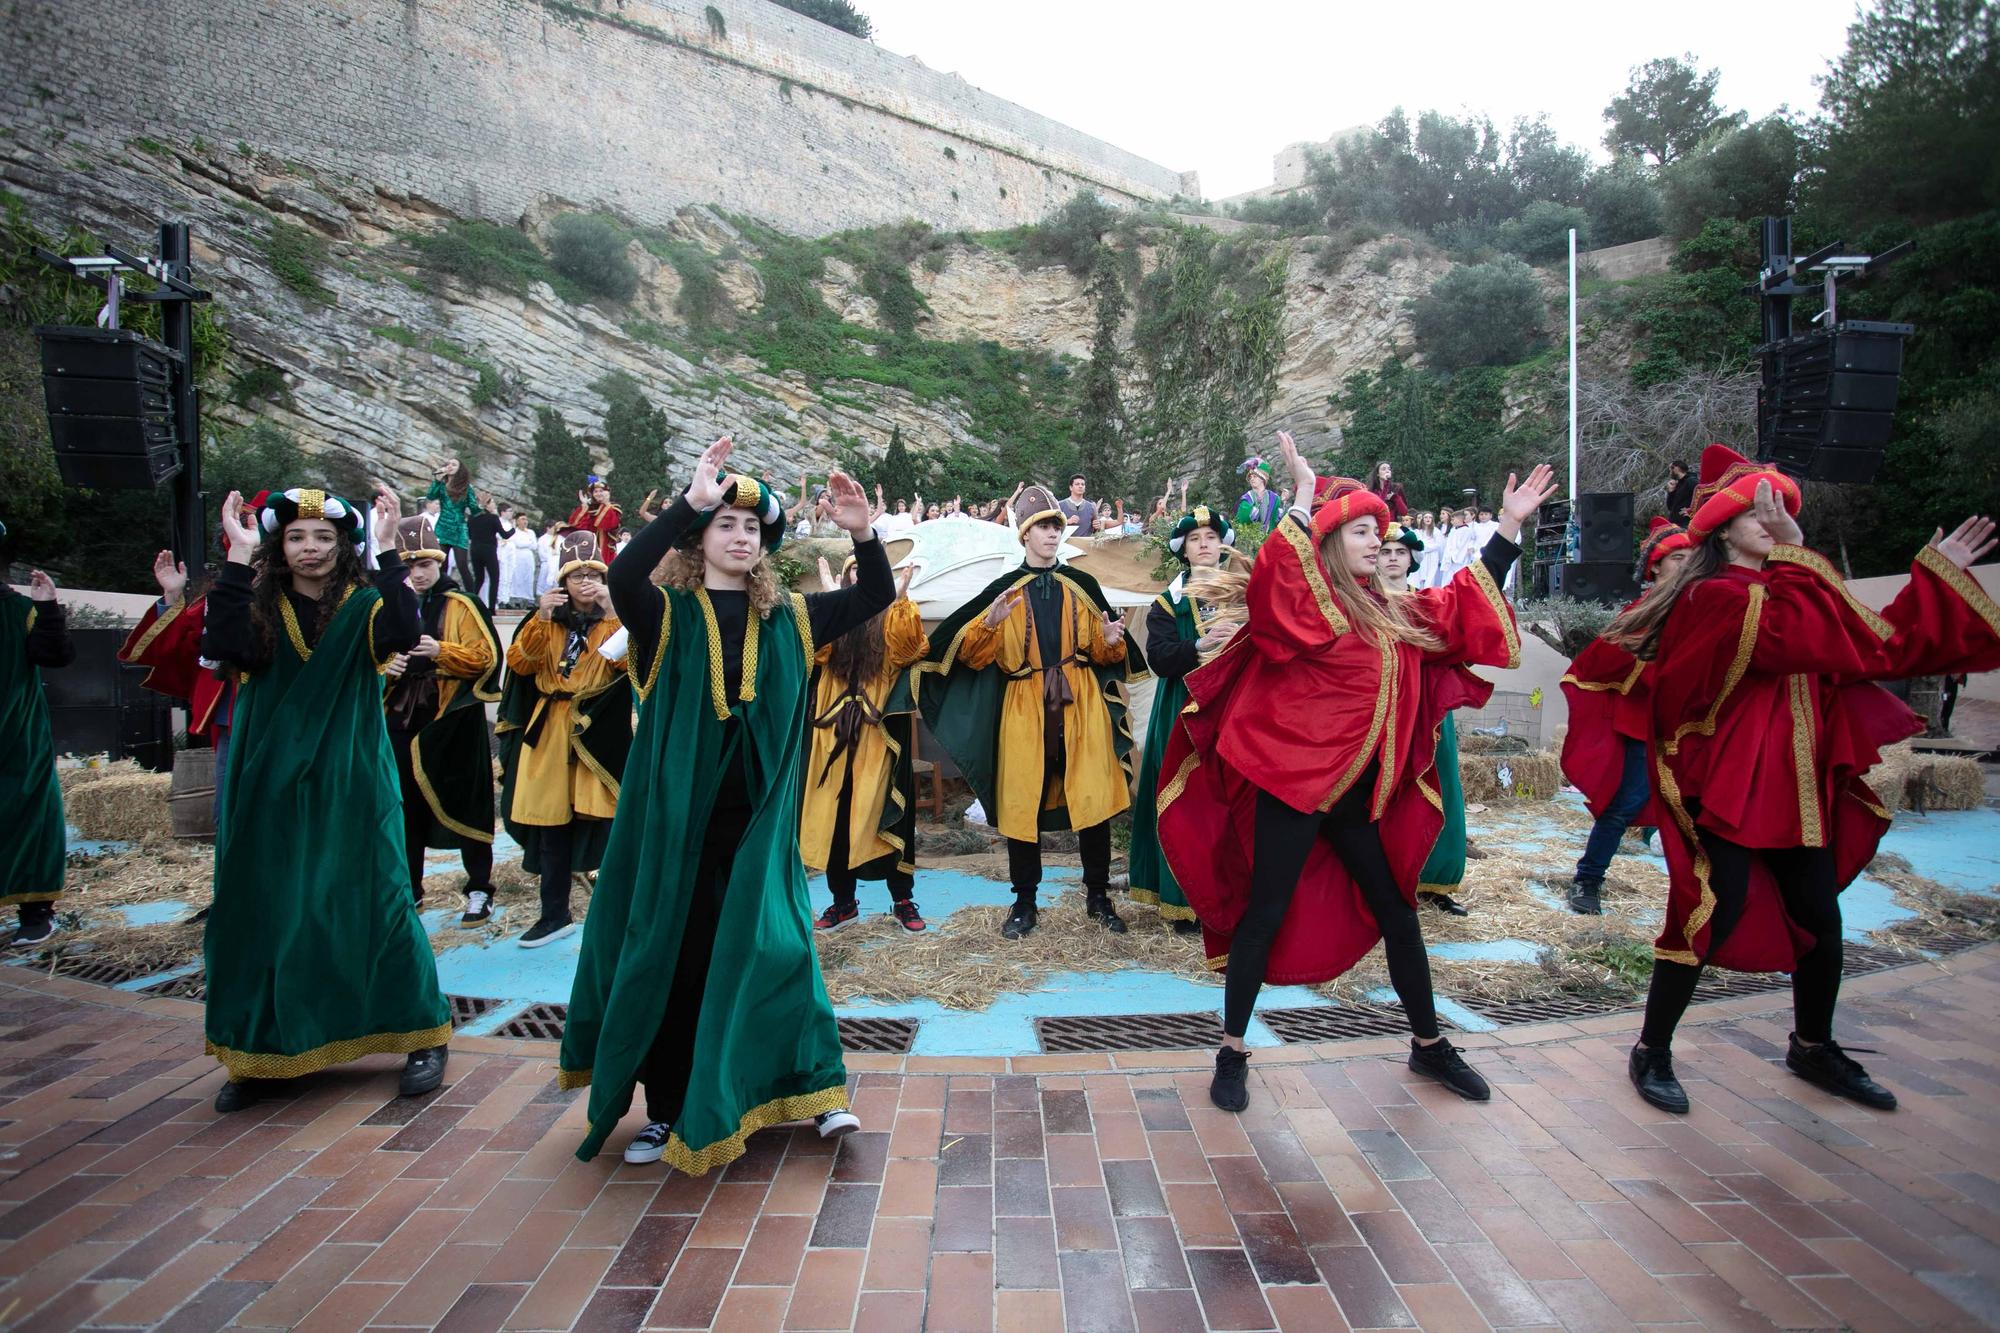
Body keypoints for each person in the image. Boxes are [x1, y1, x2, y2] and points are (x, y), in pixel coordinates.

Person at [1157, 433, 1555, 1114]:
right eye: (1363, 531)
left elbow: (1461, 606)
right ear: (1333, 541)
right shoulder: (1311, 610)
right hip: (1295, 788)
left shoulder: (1397, 611)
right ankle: (1231, 1050)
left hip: (1355, 799)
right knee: (1264, 915)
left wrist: (1509, 527)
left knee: (1400, 915)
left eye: (1381, 530)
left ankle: (1430, 1045)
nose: (1378, 540)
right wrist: (1305, 498)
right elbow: (1276, 583)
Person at [1602, 443, 1999, 1116]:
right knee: (1707, 913)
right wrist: (1798, 551)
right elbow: (1790, 635)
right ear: (1723, 527)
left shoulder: (1789, 582)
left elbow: (1870, 643)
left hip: (1796, 789)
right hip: (1722, 786)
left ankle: (1813, 1044)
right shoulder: (1713, 596)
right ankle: (1652, 1047)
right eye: (1758, 509)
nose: (1774, 516)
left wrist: (1935, 579)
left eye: (1783, 507)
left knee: (1821, 919)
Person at [560, 437, 889, 1170]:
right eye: (724, 525)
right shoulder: (664, 612)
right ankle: (667, 1110)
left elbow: (874, 597)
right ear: (698, 539)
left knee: (776, 947)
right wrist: (688, 500)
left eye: (751, 529)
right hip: (677, 829)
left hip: (756, 829)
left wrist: (863, 534)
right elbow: (620, 571)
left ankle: (812, 1085)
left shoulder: (794, 618)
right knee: (677, 961)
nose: (740, 538)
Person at [201, 486, 450, 1112]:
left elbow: (403, 631)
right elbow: (226, 649)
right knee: (267, 906)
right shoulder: (257, 605)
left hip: (351, 778)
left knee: (379, 899)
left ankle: (422, 1031)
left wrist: (389, 552)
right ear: (279, 546)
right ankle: (262, 1048)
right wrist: (237, 556)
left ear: (343, 546)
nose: (309, 548)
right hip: (269, 783)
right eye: (296, 537)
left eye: (322, 538)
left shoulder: (366, 604)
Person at [920, 484, 1147, 938]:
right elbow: (970, 657)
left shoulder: (1081, 585)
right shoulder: (1003, 591)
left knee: (1093, 800)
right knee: (1023, 803)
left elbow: (1103, 655)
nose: (1051, 533)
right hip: (1024, 707)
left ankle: (1098, 897)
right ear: (1024, 534)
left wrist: (1111, 640)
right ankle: (1025, 903)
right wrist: (988, 626)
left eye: (1056, 526)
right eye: (1043, 526)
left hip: (1080, 703)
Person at [498, 529, 634, 947]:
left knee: (612, 821)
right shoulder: (545, 620)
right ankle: (554, 914)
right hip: (551, 728)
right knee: (551, 824)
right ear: (563, 581)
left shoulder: (616, 618)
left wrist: (614, 612)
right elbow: (520, 664)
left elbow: (631, 666)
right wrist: (540, 618)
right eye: (577, 575)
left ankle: (621, 913)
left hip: (597, 729)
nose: (586, 582)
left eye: (594, 573)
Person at [1558, 517, 1693, 915]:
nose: (1687, 566)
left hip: (1692, 730)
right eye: (1678, 559)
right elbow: (1608, 661)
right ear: (1655, 567)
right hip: (1645, 727)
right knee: (1623, 805)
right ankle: (1588, 879)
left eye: (1692, 558)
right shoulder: (1643, 612)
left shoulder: (1711, 605)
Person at [381, 515, 503, 923]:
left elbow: (486, 658)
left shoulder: (463, 603)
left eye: (424, 565)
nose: (417, 574)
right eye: (409, 565)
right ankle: (410, 888)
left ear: (439, 563)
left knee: (468, 800)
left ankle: (479, 888)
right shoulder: (385, 605)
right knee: (405, 806)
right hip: (401, 716)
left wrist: (442, 652)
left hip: (453, 717)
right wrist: (386, 667)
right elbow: (366, 657)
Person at [806, 556, 930, 932]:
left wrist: (900, 596)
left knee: (885, 814)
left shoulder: (894, 619)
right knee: (835, 818)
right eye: (855, 570)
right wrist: (832, 597)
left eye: (868, 570)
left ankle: (902, 899)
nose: (861, 575)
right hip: (832, 734)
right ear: (846, 577)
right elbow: (816, 648)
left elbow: (909, 651)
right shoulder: (833, 615)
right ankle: (842, 903)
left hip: (878, 737)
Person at [1130, 506, 1239, 935]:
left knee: (1229, 805)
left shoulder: (1243, 594)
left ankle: (1231, 897)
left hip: (1233, 712)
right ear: (1185, 550)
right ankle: (1182, 901)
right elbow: (1158, 659)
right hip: (1181, 711)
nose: (1205, 544)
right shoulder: (1166, 605)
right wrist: (1199, 643)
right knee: (1184, 804)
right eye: (1196, 539)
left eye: (1211, 536)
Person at [1377, 524, 1472, 917]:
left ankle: (1436, 881)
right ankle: (1382, 880)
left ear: (1413, 558)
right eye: (1385, 550)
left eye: (1401, 551)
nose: (1393, 557)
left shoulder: (1429, 602)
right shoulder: (1361, 602)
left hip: (1428, 713)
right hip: (1379, 714)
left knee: (1441, 786)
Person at [2, 532, 73, 948]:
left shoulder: (17, 609)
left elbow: (57, 655)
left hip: (15, 735)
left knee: (29, 814)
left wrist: (47, 610)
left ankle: (36, 914)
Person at [425, 458, 480, 589]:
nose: (450, 466)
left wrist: (480, 505)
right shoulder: (442, 485)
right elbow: (431, 496)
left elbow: (474, 510)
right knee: (440, 563)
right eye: (448, 464)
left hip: (459, 529)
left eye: (454, 464)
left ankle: (472, 597)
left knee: (462, 565)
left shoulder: (466, 487)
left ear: (460, 470)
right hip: (443, 527)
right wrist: (437, 479)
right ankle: (439, 593)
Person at [466, 496, 505, 613]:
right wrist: (513, 529)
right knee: (494, 578)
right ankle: (491, 608)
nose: (494, 505)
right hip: (489, 550)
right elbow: (505, 534)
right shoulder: (493, 518)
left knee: (479, 578)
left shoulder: (472, 518)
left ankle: (469, 603)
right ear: (487, 505)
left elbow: (469, 535)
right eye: (492, 503)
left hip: (475, 549)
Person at [565, 477, 622, 548]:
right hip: (589, 543)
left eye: (601, 491)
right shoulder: (589, 508)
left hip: (605, 545)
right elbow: (577, 525)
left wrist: (607, 504)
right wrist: (584, 505)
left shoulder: (613, 507)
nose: (598, 494)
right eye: (595, 491)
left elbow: (611, 525)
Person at [499, 510, 541, 606]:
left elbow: (534, 545)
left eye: (526, 519)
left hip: (529, 557)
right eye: (522, 519)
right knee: (517, 577)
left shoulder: (531, 532)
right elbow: (517, 543)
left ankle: (528, 598)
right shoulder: (514, 531)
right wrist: (528, 543)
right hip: (518, 556)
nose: (525, 521)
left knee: (528, 577)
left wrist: (528, 544)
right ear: (517, 521)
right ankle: (516, 598)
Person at [1237, 461, 1283, 529]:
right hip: (1251, 538)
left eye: (1255, 476)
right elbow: (1242, 520)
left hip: (1270, 537)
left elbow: (1278, 521)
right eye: (1250, 477)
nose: (1251, 479)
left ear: (1262, 479)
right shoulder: (1246, 498)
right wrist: (1253, 512)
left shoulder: (1275, 498)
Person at [1058, 474, 1099, 539]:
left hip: (1084, 546)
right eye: (1077, 484)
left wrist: (1096, 527)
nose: (1080, 486)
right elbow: (1052, 527)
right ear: (1071, 487)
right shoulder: (1059, 505)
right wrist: (1067, 521)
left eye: (1083, 484)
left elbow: (1095, 530)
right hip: (1065, 544)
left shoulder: (1091, 507)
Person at [1412, 512, 1444, 590]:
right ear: (1423, 519)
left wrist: (1426, 547)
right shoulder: (1418, 531)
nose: (1428, 519)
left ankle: (1428, 593)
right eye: (1426, 517)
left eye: (1430, 517)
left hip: (1432, 555)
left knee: (1430, 577)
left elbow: (1438, 544)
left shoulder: (1436, 531)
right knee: (1421, 577)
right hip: (1422, 556)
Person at [534, 519, 563, 596]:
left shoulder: (560, 538)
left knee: (556, 581)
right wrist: (551, 558)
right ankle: (541, 596)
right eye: (554, 528)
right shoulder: (542, 539)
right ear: (548, 528)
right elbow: (542, 553)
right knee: (543, 581)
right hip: (547, 563)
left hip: (557, 564)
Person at [1664, 459, 1695, 526]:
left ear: (1676, 468)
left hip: (1686, 524)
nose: (1670, 472)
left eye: (1671, 469)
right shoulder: (1678, 484)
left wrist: (1692, 511)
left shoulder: (1691, 481)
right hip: (1675, 524)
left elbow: (1702, 495)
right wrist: (1671, 492)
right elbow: (1670, 507)